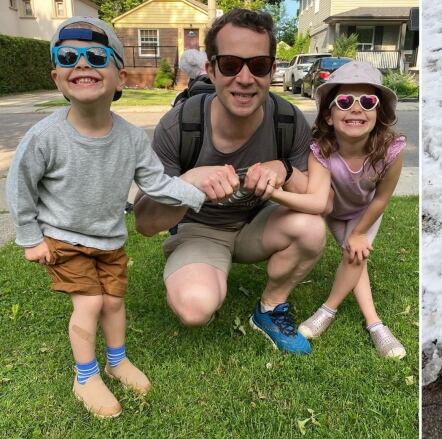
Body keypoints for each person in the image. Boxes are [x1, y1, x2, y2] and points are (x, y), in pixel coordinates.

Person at [4, 17, 229, 418]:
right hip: (64, 239)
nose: (83, 65)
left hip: (110, 240)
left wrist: (195, 193)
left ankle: (116, 360)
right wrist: (30, 237)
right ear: (56, 75)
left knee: (113, 303)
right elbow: (20, 186)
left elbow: (156, 182)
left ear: (119, 76)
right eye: (68, 57)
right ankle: (85, 375)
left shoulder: (129, 137)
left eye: (96, 56)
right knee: (89, 304)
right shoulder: (44, 137)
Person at [133, 9, 325, 354]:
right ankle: (193, 269)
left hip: (257, 224)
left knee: (311, 228)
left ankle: (269, 308)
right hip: (200, 231)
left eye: (259, 65)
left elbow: (317, 196)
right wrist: (188, 184)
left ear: (272, 69)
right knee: (195, 308)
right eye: (231, 65)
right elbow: (145, 223)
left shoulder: (287, 119)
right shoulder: (181, 125)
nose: (246, 78)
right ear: (211, 69)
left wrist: (284, 170)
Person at [273, 61, 407, 359]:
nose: (356, 109)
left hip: (366, 212)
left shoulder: (390, 151)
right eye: (345, 102)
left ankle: (342, 314)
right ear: (330, 116)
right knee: (354, 256)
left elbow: (381, 199)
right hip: (335, 211)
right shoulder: (321, 151)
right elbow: (320, 201)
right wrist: (276, 193)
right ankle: (373, 324)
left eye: (367, 102)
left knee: (354, 252)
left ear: (378, 113)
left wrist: (359, 233)